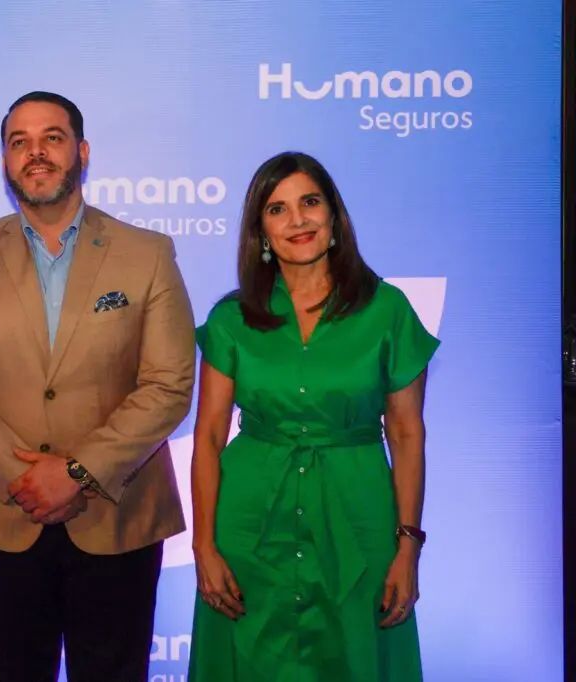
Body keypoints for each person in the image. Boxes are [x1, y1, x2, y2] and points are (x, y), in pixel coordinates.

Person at [0, 91, 195, 682]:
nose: (36, 153)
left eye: (51, 137)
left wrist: (75, 473)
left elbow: (169, 384)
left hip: (118, 515)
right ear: (5, 161)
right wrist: (25, 479)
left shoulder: (147, 254)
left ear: (82, 151)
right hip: (2, 515)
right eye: (18, 142)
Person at [188, 152, 437, 681]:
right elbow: (207, 436)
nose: (297, 220)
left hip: (359, 517)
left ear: (333, 215)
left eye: (309, 202)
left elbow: (407, 433)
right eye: (277, 209)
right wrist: (203, 546)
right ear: (260, 230)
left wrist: (407, 546)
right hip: (249, 526)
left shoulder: (388, 310)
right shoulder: (231, 318)